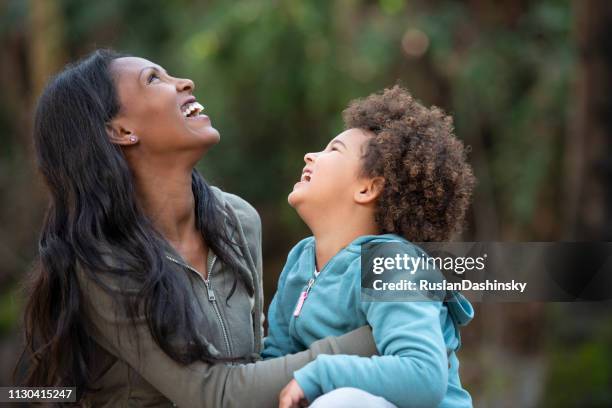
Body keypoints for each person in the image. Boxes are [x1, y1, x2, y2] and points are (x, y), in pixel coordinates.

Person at [17, 49, 378, 407]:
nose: (185, 82)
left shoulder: (236, 220)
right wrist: (376, 340)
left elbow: (258, 368)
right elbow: (214, 394)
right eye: (154, 79)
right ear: (121, 130)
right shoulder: (102, 260)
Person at [262, 86, 476, 408]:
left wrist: (319, 373)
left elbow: (423, 375)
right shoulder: (300, 261)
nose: (310, 156)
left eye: (333, 150)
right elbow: (274, 364)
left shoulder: (390, 262)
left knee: (342, 401)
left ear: (368, 188)